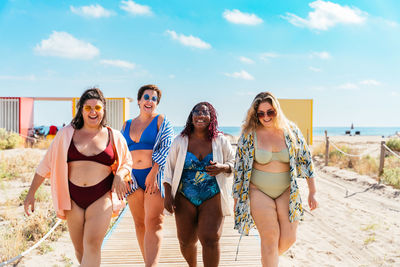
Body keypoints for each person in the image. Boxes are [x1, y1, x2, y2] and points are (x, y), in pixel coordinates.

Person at [24, 88, 132, 267]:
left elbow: (127, 162)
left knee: (92, 245)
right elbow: (46, 164)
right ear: (81, 109)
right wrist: (30, 194)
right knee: (80, 249)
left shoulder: (115, 136)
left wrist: (120, 174)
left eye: (97, 108)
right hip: (72, 198)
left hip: (101, 196)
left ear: (103, 110)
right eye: (88, 107)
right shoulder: (66, 134)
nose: (92, 112)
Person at [232, 92, 318, 267]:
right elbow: (239, 169)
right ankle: (269, 257)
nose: (265, 117)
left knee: (289, 238)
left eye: (269, 112)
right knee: (270, 236)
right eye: (261, 113)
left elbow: (306, 159)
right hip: (258, 191)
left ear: (276, 110)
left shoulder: (291, 130)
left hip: (286, 190)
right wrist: (236, 200)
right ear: (255, 114)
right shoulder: (250, 134)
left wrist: (313, 192)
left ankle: (268, 258)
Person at [163, 102, 234, 267]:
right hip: (184, 196)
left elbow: (234, 162)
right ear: (191, 116)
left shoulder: (220, 140)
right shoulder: (180, 140)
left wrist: (223, 167)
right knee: (186, 241)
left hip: (212, 194)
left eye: (205, 112)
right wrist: (167, 196)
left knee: (210, 238)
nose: (201, 115)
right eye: (197, 111)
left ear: (212, 118)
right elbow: (169, 170)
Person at [121, 84, 173, 266]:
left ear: (157, 104)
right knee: (139, 223)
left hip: (154, 176)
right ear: (138, 101)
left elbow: (167, 146)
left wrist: (154, 171)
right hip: (132, 178)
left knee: (154, 222)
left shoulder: (161, 120)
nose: (149, 101)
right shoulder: (126, 124)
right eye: (146, 97)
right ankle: (148, 263)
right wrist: (123, 175)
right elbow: (120, 151)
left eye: (154, 98)